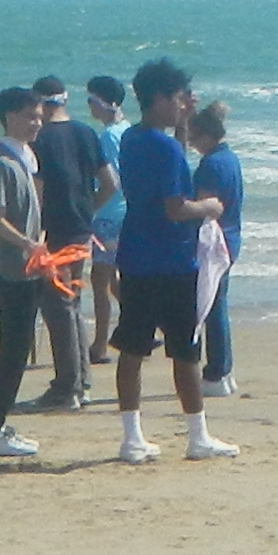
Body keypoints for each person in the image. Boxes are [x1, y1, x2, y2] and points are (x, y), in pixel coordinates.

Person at [104, 60, 237, 462]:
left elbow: (169, 164)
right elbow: (177, 207)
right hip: (172, 259)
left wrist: (180, 125)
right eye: (179, 99)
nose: (184, 105)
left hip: (136, 255)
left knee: (133, 348)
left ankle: (132, 436)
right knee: (184, 350)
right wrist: (210, 208)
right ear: (161, 98)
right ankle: (197, 435)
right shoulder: (161, 147)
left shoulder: (132, 138)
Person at [0, 83, 63, 460]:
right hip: (11, 271)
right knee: (12, 353)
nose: (37, 123)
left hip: (31, 267)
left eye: (40, 117)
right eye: (30, 116)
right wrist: (27, 243)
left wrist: (40, 241)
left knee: (19, 351)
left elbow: (35, 207)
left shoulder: (27, 156)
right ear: (10, 117)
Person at [28, 77, 106, 408]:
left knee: (58, 306)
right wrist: (87, 210)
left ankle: (67, 387)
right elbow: (110, 183)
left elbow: (38, 193)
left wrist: (34, 235)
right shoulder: (86, 133)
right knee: (72, 304)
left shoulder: (40, 139)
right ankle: (81, 382)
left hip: (55, 232)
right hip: (80, 229)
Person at [188, 98, 250, 395]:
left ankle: (216, 373)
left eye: (194, 137)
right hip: (231, 237)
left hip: (214, 242)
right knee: (218, 305)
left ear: (206, 136)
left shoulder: (210, 165)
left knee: (209, 307)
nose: (191, 143)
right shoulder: (230, 159)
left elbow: (205, 208)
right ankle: (224, 371)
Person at [80, 72, 133, 364]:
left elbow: (110, 181)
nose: (89, 107)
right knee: (113, 280)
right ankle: (141, 325)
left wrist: (89, 207)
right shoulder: (126, 130)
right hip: (124, 213)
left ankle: (100, 345)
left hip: (109, 216)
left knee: (100, 280)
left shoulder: (108, 137)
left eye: (92, 101)